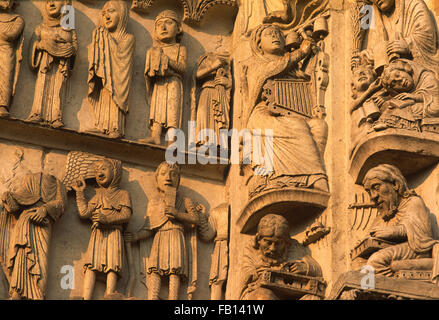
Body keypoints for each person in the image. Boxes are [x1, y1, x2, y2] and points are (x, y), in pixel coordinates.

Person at [242, 24, 328, 195]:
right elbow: (268, 71)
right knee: (295, 126)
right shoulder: (253, 63)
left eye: (278, 34)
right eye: (269, 34)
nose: (275, 36)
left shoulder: (291, 65)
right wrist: (301, 53)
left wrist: (312, 54)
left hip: (291, 111)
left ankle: (296, 178)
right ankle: (313, 178)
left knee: (319, 126)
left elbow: (305, 79)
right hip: (262, 114)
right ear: (259, 44)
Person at [125, 162, 201, 300]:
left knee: (174, 270)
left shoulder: (185, 200)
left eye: (173, 175)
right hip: (160, 237)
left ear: (178, 180)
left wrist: (177, 214)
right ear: (157, 180)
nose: (168, 177)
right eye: (163, 174)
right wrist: (136, 236)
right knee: (154, 269)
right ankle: (152, 297)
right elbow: (149, 228)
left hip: (176, 236)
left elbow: (195, 219)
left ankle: (173, 298)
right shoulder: (154, 201)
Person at [361, 164, 439, 280]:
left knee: (376, 261)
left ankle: (389, 288)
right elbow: (371, 235)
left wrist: (391, 232)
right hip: (398, 251)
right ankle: (368, 291)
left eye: (377, 188)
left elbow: (423, 236)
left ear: (395, 185)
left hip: (417, 249)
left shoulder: (413, 202)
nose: (373, 196)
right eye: (369, 191)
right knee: (359, 265)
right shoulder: (382, 215)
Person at [72, 158, 132, 300]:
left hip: (114, 233)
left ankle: (109, 294)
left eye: (103, 169)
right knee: (92, 264)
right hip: (98, 234)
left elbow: (126, 214)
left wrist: (107, 219)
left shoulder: (123, 194)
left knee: (113, 264)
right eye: (97, 170)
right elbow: (84, 213)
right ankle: (86, 296)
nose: (99, 172)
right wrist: (80, 193)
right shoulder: (98, 196)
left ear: (115, 172)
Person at [5, 172, 67, 300]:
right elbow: (15, 205)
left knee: (40, 260)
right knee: (22, 255)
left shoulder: (57, 183)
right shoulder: (28, 179)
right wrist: (8, 197)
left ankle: (38, 294)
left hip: (43, 224)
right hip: (25, 222)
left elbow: (61, 204)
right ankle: (17, 292)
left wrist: (45, 209)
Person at [240, 214, 322, 300]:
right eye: (268, 242)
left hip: (292, 295)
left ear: (286, 242)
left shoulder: (293, 246)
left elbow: (317, 269)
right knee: (264, 297)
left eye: (278, 243)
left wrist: (305, 267)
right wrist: (256, 273)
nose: (273, 248)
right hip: (258, 292)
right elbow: (244, 275)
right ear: (259, 239)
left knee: (313, 298)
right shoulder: (251, 249)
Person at [87, 0, 135, 139]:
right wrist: (97, 44)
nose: (106, 16)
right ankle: (101, 125)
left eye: (111, 11)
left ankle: (116, 127)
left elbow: (121, 63)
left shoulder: (128, 38)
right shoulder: (102, 36)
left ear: (123, 15)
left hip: (118, 83)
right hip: (105, 82)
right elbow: (97, 61)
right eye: (103, 13)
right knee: (104, 93)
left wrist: (104, 39)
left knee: (114, 94)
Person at [27, 0, 77, 128]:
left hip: (61, 66)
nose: (51, 3)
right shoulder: (41, 27)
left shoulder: (69, 29)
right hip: (45, 64)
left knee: (59, 89)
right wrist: (41, 45)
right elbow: (33, 45)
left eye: (56, 0)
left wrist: (70, 50)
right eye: (48, 1)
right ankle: (37, 113)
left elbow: (74, 47)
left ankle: (56, 116)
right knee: (42, 85)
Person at [142, 10, 187, 145]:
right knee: (157, 109)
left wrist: (167, 60)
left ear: (178, 28)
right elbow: (149, 72)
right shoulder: (154, 50)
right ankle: (155, 135)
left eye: (168, 23)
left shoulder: (180, 49)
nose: (163, 27)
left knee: (172, 110)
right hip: (159, 83)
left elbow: (183, 68)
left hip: (173, 82)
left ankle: (171, 140)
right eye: (159, 25)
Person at [366, 0, 439, 77]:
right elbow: (373, 46)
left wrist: (408, 45)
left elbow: (427, 35)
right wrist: (367, 57)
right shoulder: (377, 19)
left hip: (415, 72)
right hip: (391, 79)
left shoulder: (414, 4)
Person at [0, 0, 24, 118]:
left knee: (6, 76)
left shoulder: (17, 19)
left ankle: (3, 105)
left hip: (6, 51)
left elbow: (11, 35)